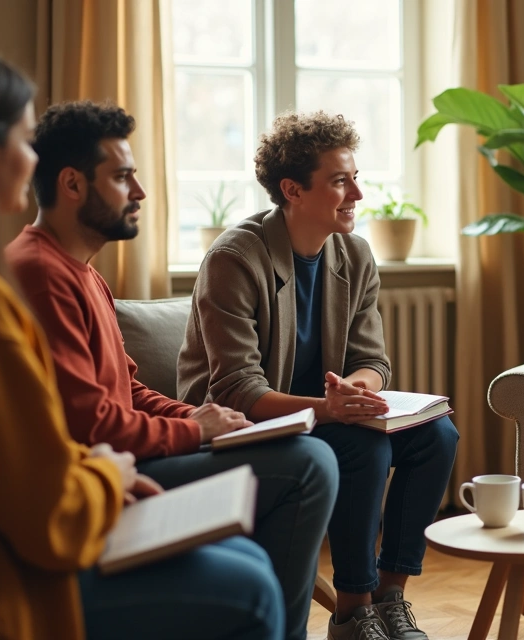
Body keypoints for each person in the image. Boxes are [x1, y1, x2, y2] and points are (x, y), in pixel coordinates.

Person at [0, 43, 283, 639]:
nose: (32, 161)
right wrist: (109, 473)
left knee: (247, 561)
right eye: (24, 141)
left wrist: (101, 467)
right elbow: (51, 518)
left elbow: (1, 456)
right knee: (253, 589)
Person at [6, 100, 338, 640]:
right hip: (107, 477)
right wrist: (193, 432)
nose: (139, 192)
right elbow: (92, 426)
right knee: (310, 463)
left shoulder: (81, 272)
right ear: (72, 184)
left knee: (301, 466)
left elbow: (127, 390)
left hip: (130, 458)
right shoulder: (40, 274)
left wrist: (201, 418)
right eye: (122, 177)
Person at [177, 111, 459, 640]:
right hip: (243, 425)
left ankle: (390, 596)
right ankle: (353, 612)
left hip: (326, 415)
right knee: (362, 446)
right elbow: (237, 388)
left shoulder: (354, 254)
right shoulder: (234, 259)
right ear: (293, 190)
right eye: (339, 181)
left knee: (437, 435)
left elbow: (373, 360)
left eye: (356, 177)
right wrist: (331, 410)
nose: (357, 193)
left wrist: (358, 390)